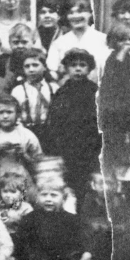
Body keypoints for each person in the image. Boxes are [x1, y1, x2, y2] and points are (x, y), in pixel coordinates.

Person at [43, 48, 102, 193]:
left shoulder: (95, 91)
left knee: (90, 185)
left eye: (82, 65)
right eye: (73, 65)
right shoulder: (62, 92)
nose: (78, 69)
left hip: (90, 144)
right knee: (70, 185)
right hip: (67, 146)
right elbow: (54, 121)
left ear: (89, 69)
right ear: (66, 68)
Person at [15, 184, 91, 260]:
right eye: (44, 195)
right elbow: (21, 242)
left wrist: (86, 253)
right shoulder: (30, 218)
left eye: (54, 195)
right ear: (37, 197)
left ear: (63, 198)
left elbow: (82, 239)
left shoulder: (71, 219)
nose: (48, 199)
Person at [99, 24, 130, 173]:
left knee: (126, 134)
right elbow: (113, 81)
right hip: (114, 106)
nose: (128, 44)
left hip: (127, 103)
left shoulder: (129, 59)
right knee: (115, 137)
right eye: (123, 40)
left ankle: (125, 160)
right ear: (114, 41)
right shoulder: (114, 59)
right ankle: (115, 165)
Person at [46, 0, 108, 82]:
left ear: (90, 13)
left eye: (80, 11)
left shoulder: (103, 40)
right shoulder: (59, 43)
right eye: (71, 13)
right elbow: (52, 70)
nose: (75, 16)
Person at [10, 47, 56, 144]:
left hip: (49, 133)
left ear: (44, 67)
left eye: (35, 65)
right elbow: (15, 116)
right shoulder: (18, 91)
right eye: (27, 66)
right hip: (25, 132)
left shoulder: (53, 88)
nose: (31, 69)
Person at [0, 96, 43, 163]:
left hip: (21, 172)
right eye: (1, 112)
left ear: (17, 114)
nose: (5, 116)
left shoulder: (27, 135)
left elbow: (38, 162)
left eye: (9, 112)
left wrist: (24, 155)